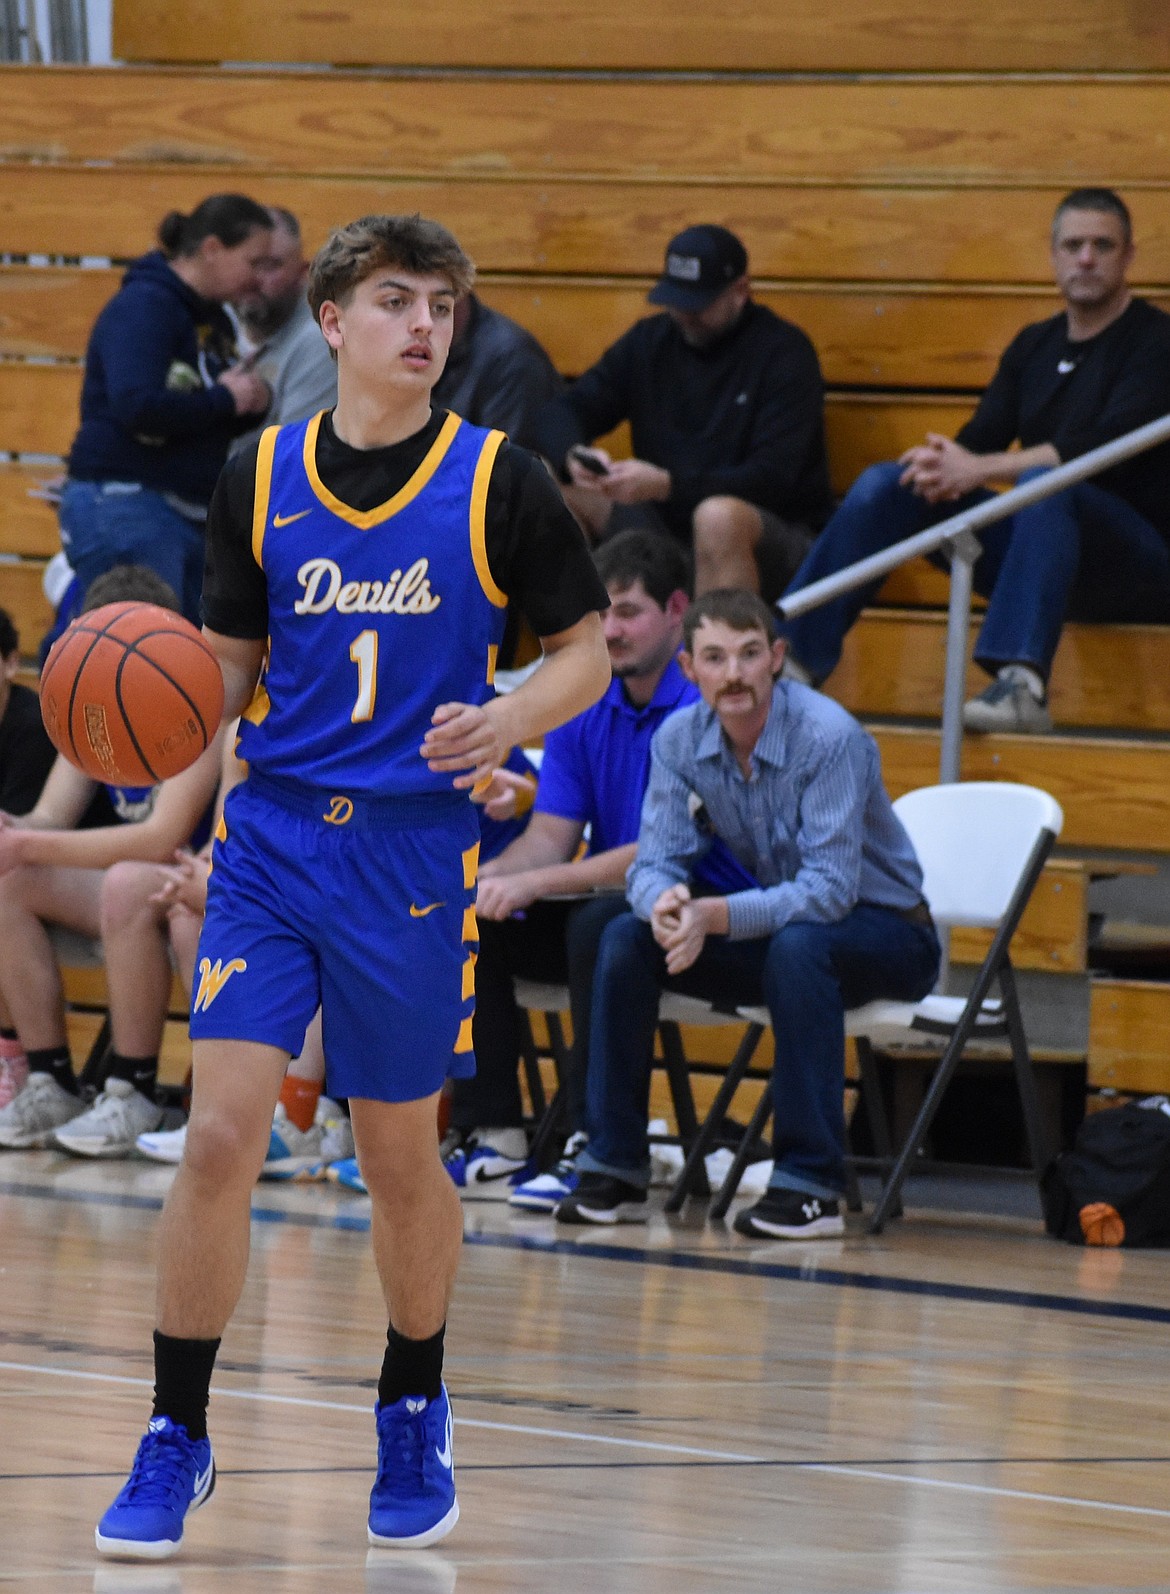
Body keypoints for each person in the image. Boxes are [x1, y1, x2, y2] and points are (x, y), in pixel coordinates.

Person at [94, 212, 610, 1561]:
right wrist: (137, 748)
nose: (422, 326)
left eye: (440, 305)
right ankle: (175, 1429)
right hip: (270, 844)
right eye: (394, 301)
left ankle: (411, 1394)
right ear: (331, 322)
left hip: (408, 854)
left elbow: (584, 655)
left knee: (396, 1156)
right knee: (217, 1136)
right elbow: (210, 680)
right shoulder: (255, 475)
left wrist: (510, 719)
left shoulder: (500, 478)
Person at [556, 588, 940, 1238]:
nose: (732, 673)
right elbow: (654, 862)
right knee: (625, 935)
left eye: (748, 654)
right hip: (794, 937)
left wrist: (714, 917)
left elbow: (828, 894)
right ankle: (614, 1166)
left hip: (891, 935)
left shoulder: (830, 737)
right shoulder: (680, 740)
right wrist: (667, 904)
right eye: (714, 657)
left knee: (801, 947)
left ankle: (811, 1183)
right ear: (690, 670)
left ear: (777, 659)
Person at [780, 187, 1170, 733]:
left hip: (1140, 561)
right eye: (1073, 244)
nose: (1086, 257)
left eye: (1102, 245)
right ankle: (791, 662)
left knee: (1046, 483)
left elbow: (1102, 451)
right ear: (1053, 255)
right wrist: (938, 465)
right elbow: (978, 440)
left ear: (1129, 256)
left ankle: (1022, 686)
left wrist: (980, 468)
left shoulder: (1157, 341)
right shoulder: (1034, 344)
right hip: (1045, 552)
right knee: (890, 483)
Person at [442, 529, 693, 1208]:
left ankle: (591, 1138)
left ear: (677, 610)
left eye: (629, 612)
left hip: (687, 913)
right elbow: (551, 836)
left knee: (597, 924)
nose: (611, 630)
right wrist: (485, 882)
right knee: (472, 913)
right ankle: (493, 1133)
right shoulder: (583, 703)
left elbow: (658, 849)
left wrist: (534, 881)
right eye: (602, 613)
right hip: (602, 902)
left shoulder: (699, 710)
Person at [0, 567, 224, 1151]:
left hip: (195, 877)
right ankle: (48, 1079)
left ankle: (135, 1090)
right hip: (143, 883)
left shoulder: (197, 704)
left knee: (126, 879)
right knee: (9, 879)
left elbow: (161, 835)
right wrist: (12, 831)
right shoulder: (92, 702)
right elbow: (48, 819)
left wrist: (24, 842)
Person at [532, 224, 832, 598]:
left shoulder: (784, 353)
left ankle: (717, 648)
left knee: (718, 517)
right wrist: (573, 454)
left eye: (699, 304)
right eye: (676, 300)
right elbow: (562, 412)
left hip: (768, 536)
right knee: (538, 487)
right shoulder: (650, 341)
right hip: (662, 523)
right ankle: (578, 645)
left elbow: (772, 480)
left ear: (740, 292)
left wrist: (668, 485)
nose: (685, 314)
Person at [58, 194, 274, 624]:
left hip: (179, 508)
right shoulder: (146, 307)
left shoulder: (214, 319)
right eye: (255, 262)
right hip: (129, 501)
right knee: (139, 658)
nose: (260, 280)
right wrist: (226, 399)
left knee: (182, 659)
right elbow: (137, 406)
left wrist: (250, 401)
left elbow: (207, 409)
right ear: (212, 249)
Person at [0, 606, 59, 1106]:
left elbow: (21, 832)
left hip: (69, 871)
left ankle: (12, 1053)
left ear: (10, 662)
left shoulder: (35, 727)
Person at [230, 206, 339, 453]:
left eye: (270, 266)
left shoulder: (320, 339)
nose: (254, 278)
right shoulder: (212, 316)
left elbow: (292, 457)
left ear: (303, 274)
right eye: (248, 263)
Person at [431, 291, 563, 450]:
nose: (420, 320)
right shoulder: (407, 352)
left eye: (437, 304)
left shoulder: (512, 360)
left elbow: (502, 468)